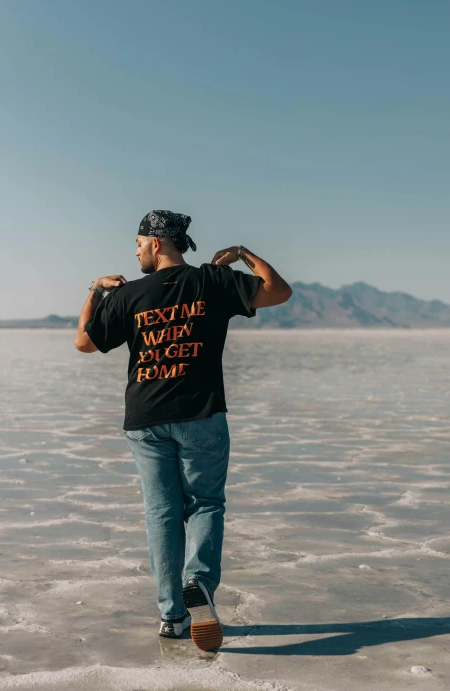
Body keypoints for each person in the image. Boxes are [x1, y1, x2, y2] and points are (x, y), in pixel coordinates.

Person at [74, 210, 292, 651]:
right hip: (200, 415)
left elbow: (84, 341)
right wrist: (244, 254)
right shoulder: (213, 281)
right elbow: (279, 291)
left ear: (157, 243)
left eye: (138, 243)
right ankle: (199, 582)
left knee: (162, 514)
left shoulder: (128, 294)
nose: (135, 251)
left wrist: (95, 290)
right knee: (206, 503)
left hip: (145, 419)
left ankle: (172, 616)